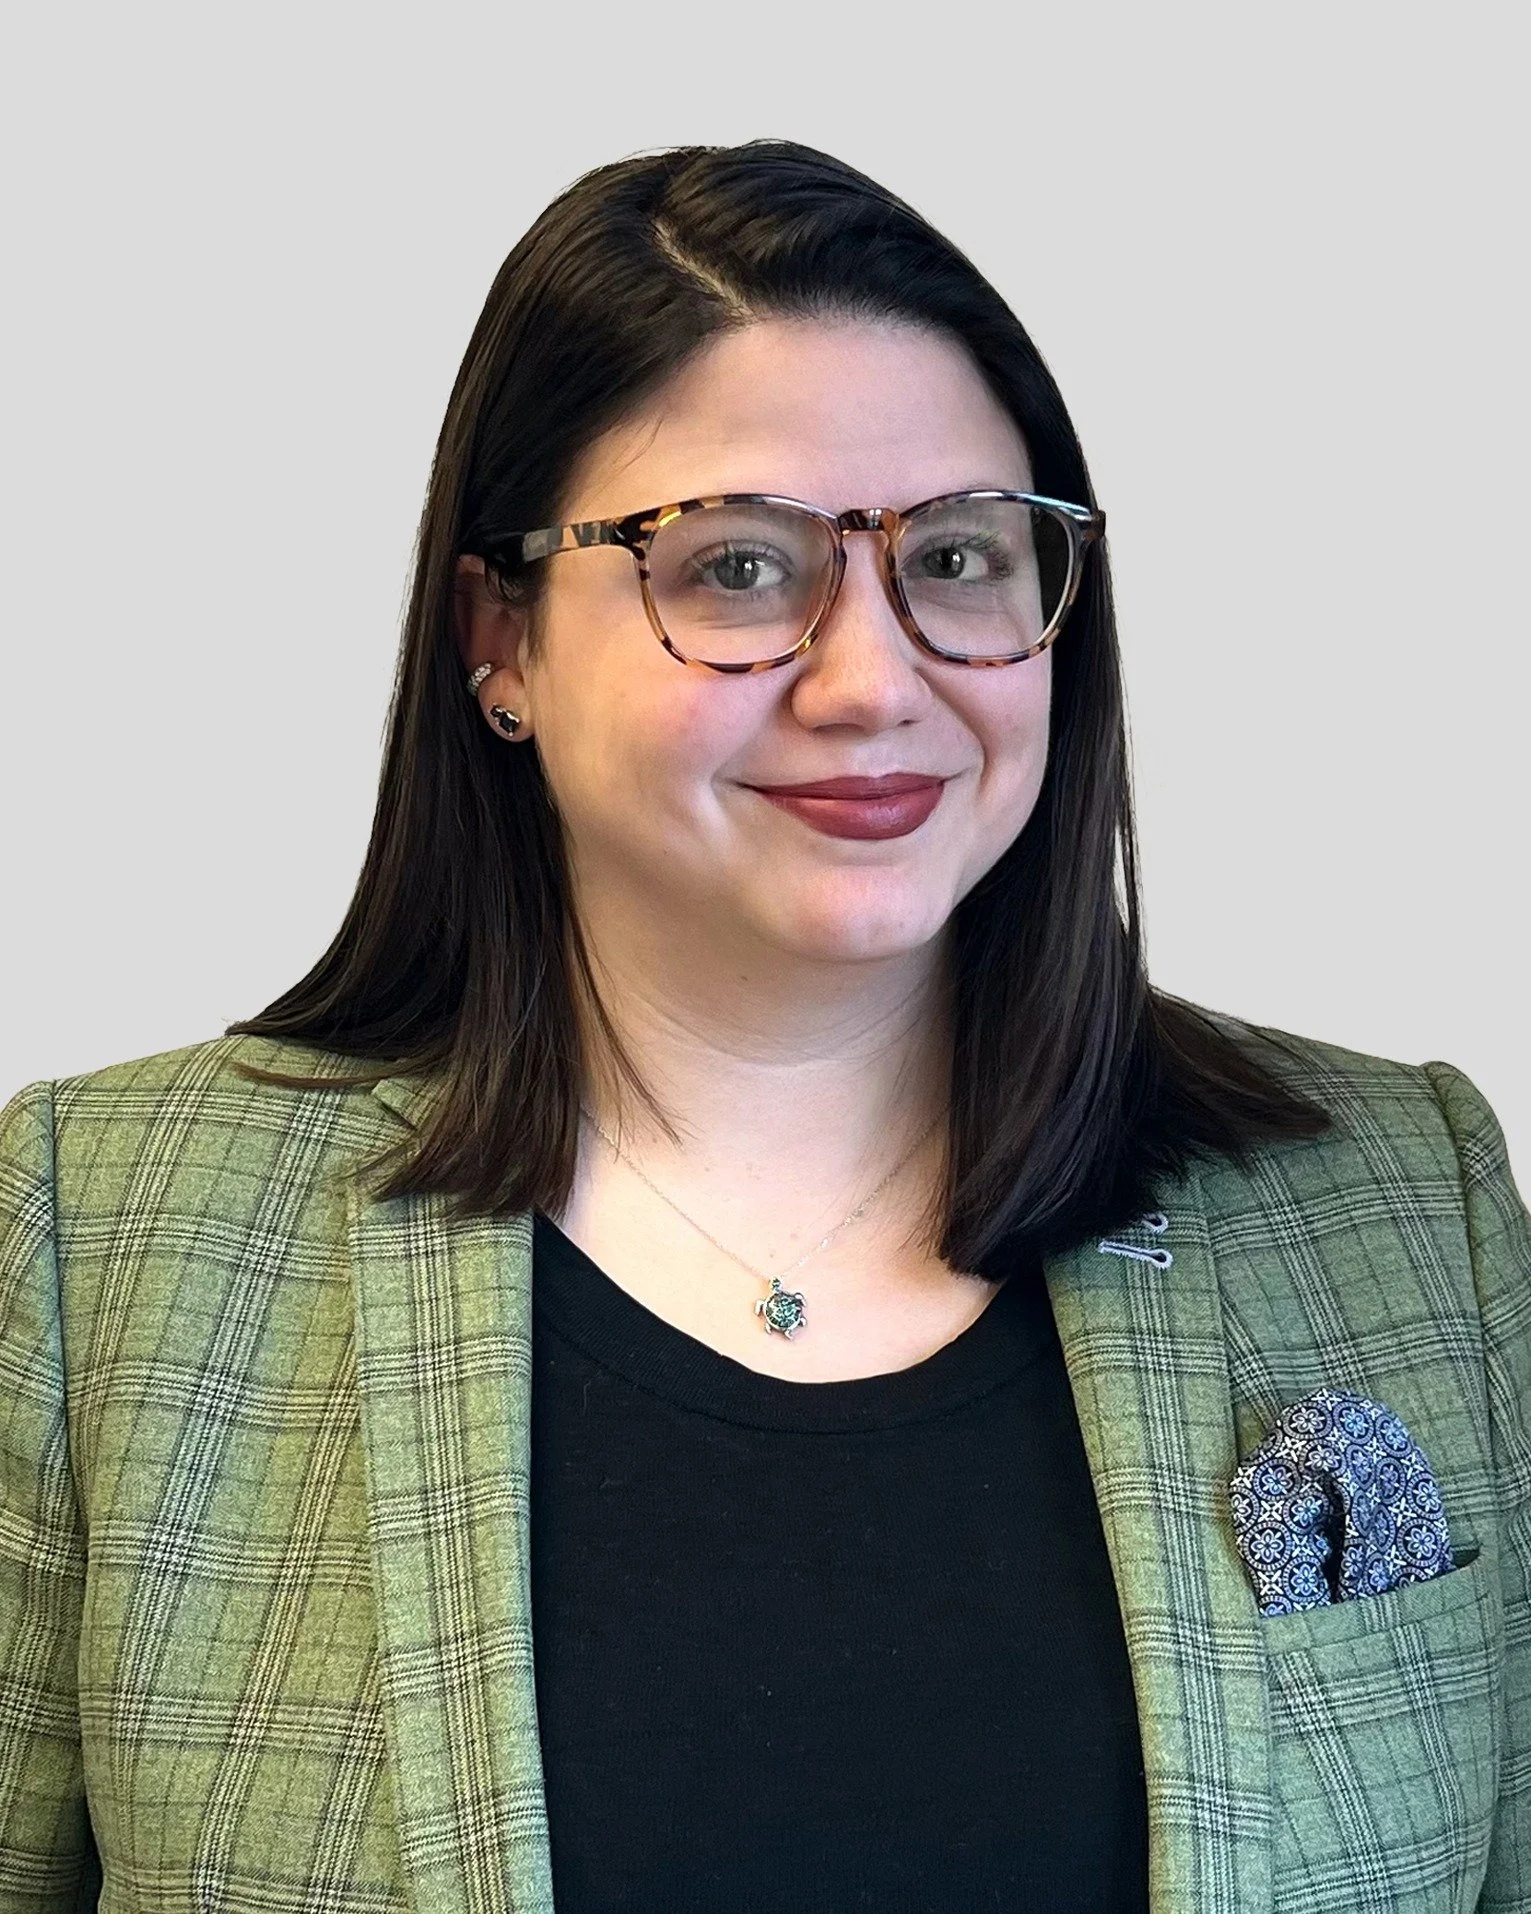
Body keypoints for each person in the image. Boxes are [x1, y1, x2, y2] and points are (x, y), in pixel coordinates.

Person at [0, 140, 1525, 1914]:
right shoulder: (97, 1238)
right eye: (733, 568)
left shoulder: (1407, 1208)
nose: (873, 678)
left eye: (955, 554)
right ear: (499, 636)